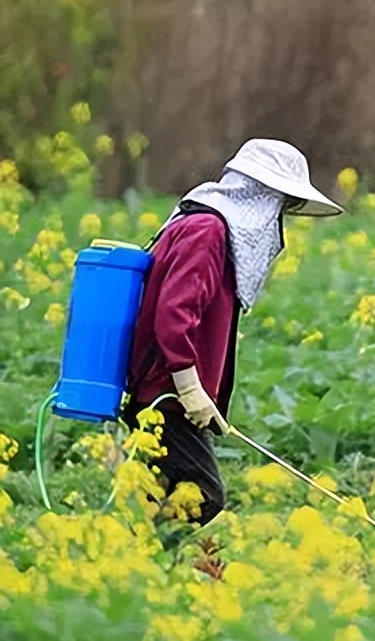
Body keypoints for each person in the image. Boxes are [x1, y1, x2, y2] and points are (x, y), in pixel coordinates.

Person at [122, 139, 344, 527]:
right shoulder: (207, 232)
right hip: (165, 396)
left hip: (172, 397)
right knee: (204, 494)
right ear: (261, 196)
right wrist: (190, 389)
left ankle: (146, 570)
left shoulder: (208, 230)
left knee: (161, 492)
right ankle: (139, 561)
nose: (281, 217)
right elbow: (174, 315)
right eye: (283, 204)